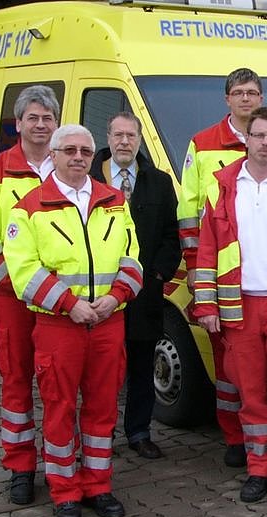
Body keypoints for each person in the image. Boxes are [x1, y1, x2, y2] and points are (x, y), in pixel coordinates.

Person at [177, 68, 267, 472]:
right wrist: (205, 301)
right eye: (258, 136)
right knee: (250, 393)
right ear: (247, 138)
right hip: (237, 306)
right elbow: (206, 246)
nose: (265, 143)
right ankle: (258, 468)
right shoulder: (221, 184)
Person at [3, 124, 143, 517]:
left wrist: (116, 296)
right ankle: (64, 492)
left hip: (108, 321)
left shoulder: (113, 200)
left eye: (85, 151)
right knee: (59, 409)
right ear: (54, 155)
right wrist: (69, 304)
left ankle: (98, 486)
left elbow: (133, 257)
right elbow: (23, 271)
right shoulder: (30, 206)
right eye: (69, 150)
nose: (78, 157)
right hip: (59, 327)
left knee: (102, 409)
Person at [0, 85, 59, 505]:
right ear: (18, 123)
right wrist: (31, 287)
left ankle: (62, 463)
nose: (40, 125)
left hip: (60, 303)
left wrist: (60, 293)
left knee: (60, 385)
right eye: (33, 118)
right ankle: (21, 467)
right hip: (15, 300)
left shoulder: (70, 166)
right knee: (16, 381)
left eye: (47, 118)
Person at [90, 112, 181, 459]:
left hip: (144, 293)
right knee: (101, 370)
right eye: (118, 135)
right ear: (108, 138)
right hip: (99, 293)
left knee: (142, 365)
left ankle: (139, 432)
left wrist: (157, 275)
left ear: (140, 140)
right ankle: (100, 435)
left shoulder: (159, 182)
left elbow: (172, 235)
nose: (124, 142)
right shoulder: (90, 180)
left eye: (130, 135)